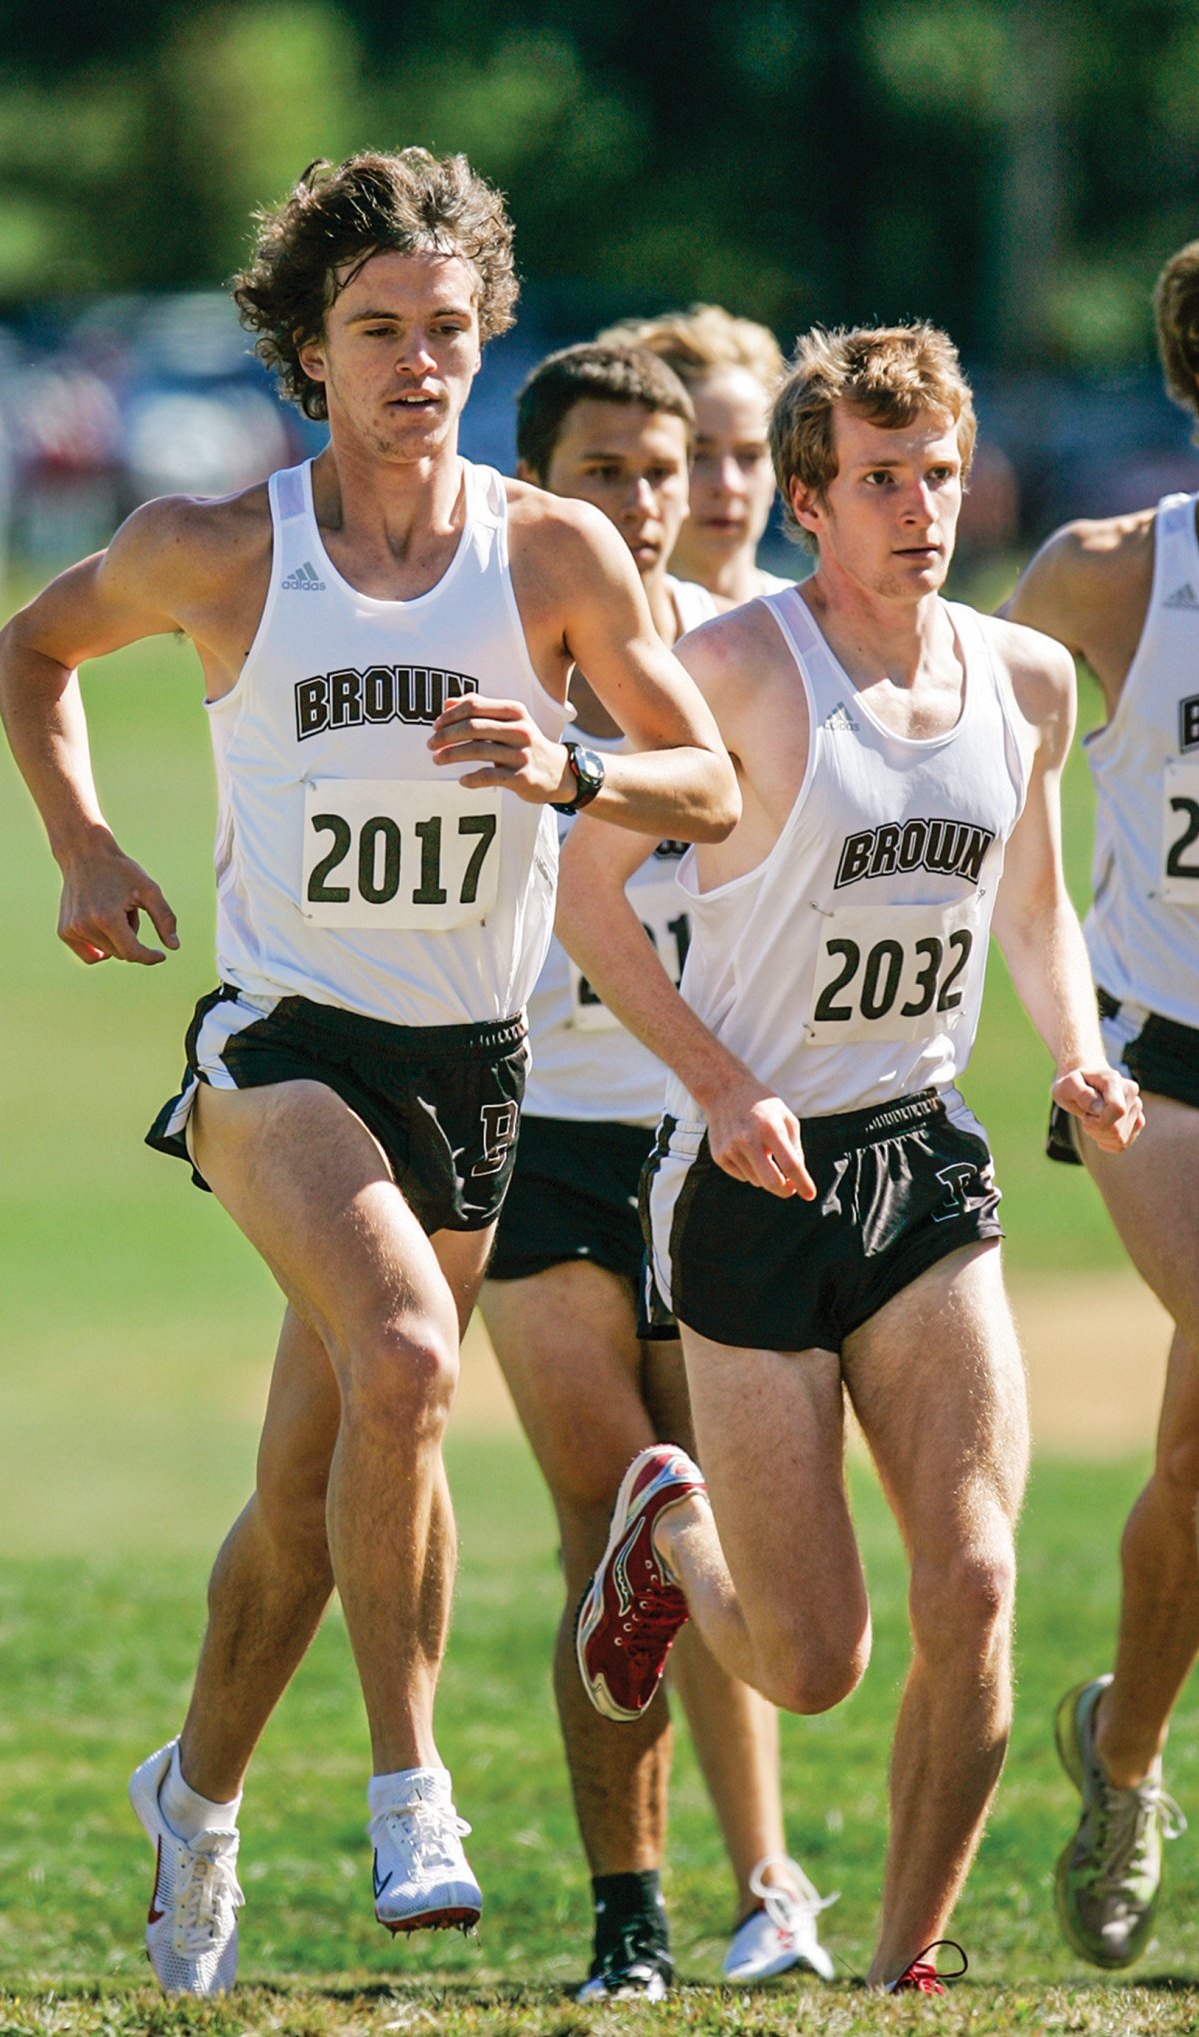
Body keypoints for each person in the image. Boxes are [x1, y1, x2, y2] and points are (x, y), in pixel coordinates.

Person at [0, 148, 738, 1997]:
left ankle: (198, 1795)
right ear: (307, 354)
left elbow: (704, 779)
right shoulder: (220, 543)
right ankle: (412, 1789)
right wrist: (86, 844)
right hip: (281, 1047)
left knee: (318, 1493)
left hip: (472, 1068)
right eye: (379, 331)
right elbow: (34, 648)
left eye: (451, 330)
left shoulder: (548, 552)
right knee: (410, 1352)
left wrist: (568, 769)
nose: (419, 363)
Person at [559, 323, 1144, 1992]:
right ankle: (664, 1527)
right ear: (809, 500)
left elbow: (1033, 903)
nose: (920, 509)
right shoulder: (743, 668)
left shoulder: (1022, 678)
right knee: (812, 1660)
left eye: (942, 476)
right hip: (750, 1183)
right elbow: (592, 904)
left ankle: (901, 1971)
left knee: (975, 1573)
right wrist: (722, 1084)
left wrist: (1084, 1053)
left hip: (923, 1161)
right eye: (881, 480)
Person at [479, 341, 834, 1998]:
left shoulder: (740, 669)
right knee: (622, 1504)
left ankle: (763, 1881)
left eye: (664, 470)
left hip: (698, 1142)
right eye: (605, 470)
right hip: (533, 1136)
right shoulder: (478, 648)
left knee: (681, 1548)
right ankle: (634, 1916)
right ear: (541, 482)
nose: (642, 500)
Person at [1004, 225, 1199, 1972]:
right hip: (1160, 1053)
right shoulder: (1108, 581)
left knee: (1197, 1447)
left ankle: (1125, 1753)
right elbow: (954, 731)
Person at [600, 305, 788, 604]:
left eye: (750, 456)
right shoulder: (585, 635)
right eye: (698, 456)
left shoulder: (826, 631)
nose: (727, 485)